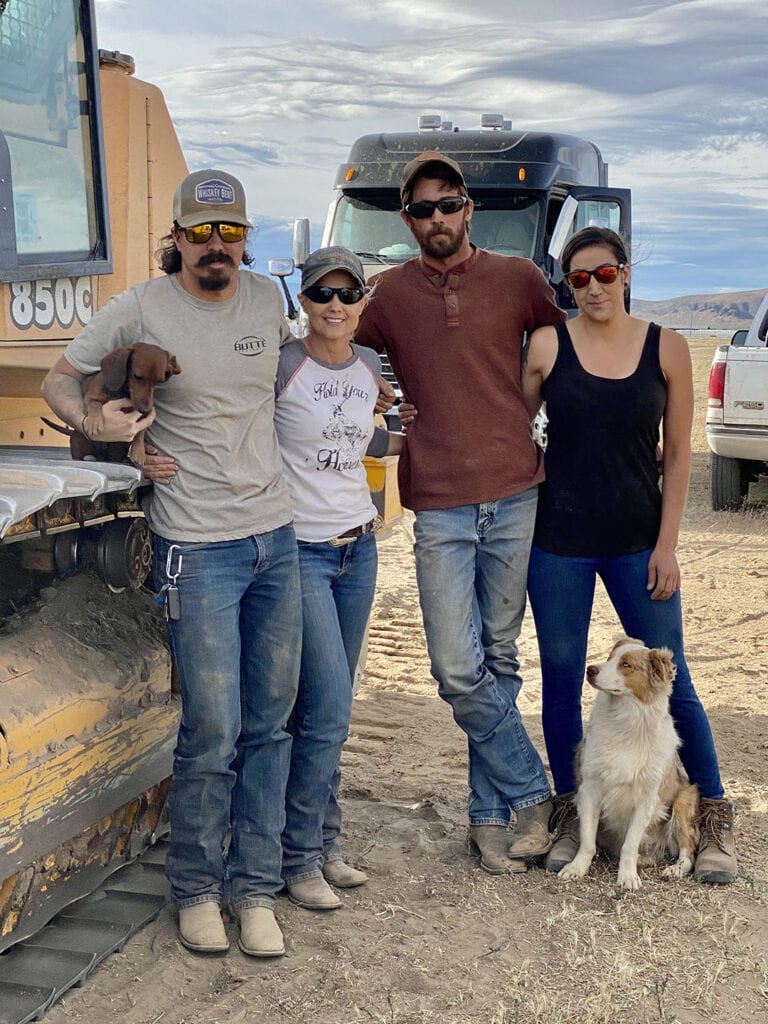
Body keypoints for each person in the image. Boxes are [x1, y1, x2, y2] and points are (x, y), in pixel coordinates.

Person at [41, 169, 303, 957]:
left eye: (229, 233)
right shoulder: (142, 307)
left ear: (245, 237)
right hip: (198, 544)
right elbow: (62, 378)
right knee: (213, 727)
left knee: (271, 723)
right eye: (200, 233)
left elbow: (290, 380)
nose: (215, 247)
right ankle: (194, 889)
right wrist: (99, 419)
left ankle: (254, 888)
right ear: (178, 238)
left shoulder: (267, 302)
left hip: (276, 538)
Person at [354, 151, 566, 875]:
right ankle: (535, 794)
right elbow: (340, 358)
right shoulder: (386, 295)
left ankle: (486, 820)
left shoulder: (518, 279)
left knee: (499, 659)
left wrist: (530, 392)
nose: (437, 218)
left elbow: (556, 334)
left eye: (448, 204)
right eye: (422, 209)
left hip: (515, 492)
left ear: (469, 208)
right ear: (407, 219)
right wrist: (385, 404)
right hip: (439, 501)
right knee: (456, 666)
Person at [523, 225, 737, 884]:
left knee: (674, 683)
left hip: (638, 543)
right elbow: (507, 427)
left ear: (625, 273)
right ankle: (569, 814)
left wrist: (669, 545)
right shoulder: (547, 345)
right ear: (567, 285)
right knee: (561, 683)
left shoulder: (667, 348)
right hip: (557, 542)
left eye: (604, 274)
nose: (592, 288)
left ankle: (712, 819)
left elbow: (678, 457)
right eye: (579, 279)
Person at [274, 246, 403, 910]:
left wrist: (423, 436)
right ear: (302, 301)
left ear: (361, 303)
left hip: (359, 549)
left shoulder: (369, 366)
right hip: (300, 552)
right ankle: (297, 859)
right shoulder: (283, 365)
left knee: (332, 706)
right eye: (321, 293)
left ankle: (325, 842)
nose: (334, 305)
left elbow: (366, 441)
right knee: (323, 710)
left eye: (346, 293)